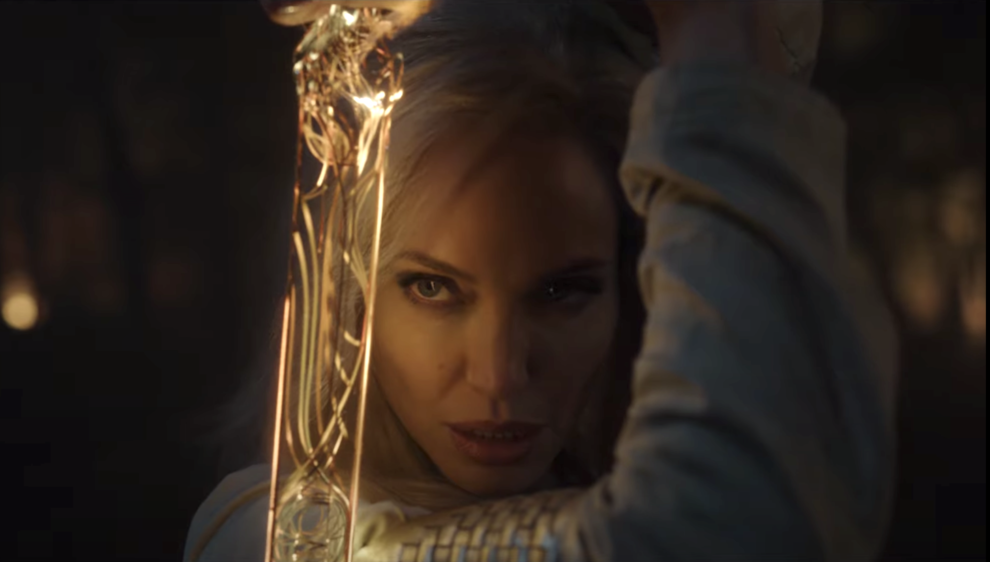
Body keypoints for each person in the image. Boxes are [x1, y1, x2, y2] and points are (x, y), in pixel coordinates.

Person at [185, 1, 898, 561]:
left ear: (638, 289)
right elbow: (711, 533)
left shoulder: (612, 483)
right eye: (433, 288)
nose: (499, 375)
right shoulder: (276, 536)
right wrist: (712, 28)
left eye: (561, 293)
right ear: (350, 293)